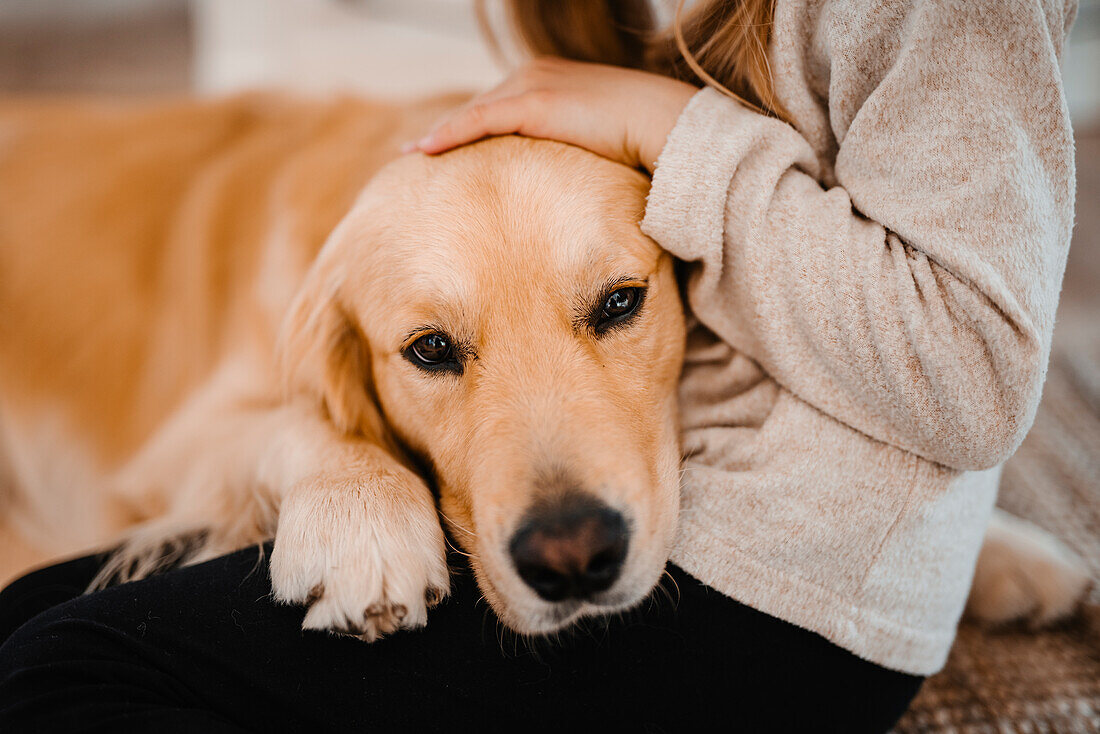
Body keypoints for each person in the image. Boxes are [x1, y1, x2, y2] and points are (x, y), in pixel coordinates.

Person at [0, 0, 1076, 730]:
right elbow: (187, 452)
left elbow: (957, 332)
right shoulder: (369, 261)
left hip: (777, 615)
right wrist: (334, 462)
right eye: (433, 350)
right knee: (27, 619)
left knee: (57, 674)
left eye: (612, 305)